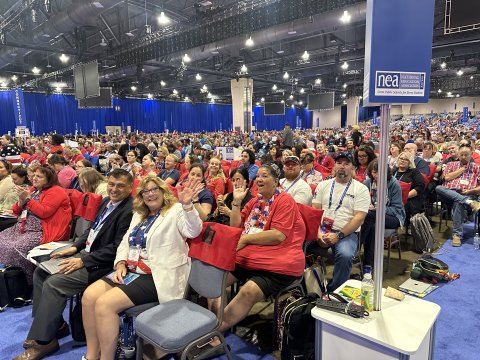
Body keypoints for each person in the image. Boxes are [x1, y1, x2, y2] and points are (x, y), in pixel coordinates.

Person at [12, 169, 134, 360]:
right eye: (111, 184)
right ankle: (57, 326)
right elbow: (92, 231)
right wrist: (74, 247)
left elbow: (117, 248)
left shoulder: (130, 210)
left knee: (55, 283)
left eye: (120, 185)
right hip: (86, 254)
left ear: (130, 187)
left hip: (103, 264)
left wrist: (82, 260)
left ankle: (44, 341)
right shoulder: (105, 202)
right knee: (40, 274)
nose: (114, 189)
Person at [81, 175, 203, 360]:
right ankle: (91, 355)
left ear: (163, 192)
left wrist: (188, 205)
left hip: (157, 275)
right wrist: (120, 262)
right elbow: (125, 242)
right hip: (131, 270)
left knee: (105, 305)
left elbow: (193, 230)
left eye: (155, 189)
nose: (150, 194)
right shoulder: (139, 213)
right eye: (145, 191)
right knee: (89, 296)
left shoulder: (176, 210)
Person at [212, 164, 306, 336]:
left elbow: (278, 235)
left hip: (277, 266)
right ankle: (214, 322)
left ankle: (213, 333)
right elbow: (235, 226)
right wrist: (236, 202)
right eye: (258, 177)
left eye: (264, 176)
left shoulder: (285, 200)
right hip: (249, 259)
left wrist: (246, 238)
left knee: (248, 291)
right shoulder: (255, 200)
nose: (259, 179)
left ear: (276, 181)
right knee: (214, 281)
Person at [0, 165, 72, 282]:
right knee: (1, 239)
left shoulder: (56, 191)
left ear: (49, 179)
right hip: (22, 227)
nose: (34, 178)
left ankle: (24, 281)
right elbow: (16, 211)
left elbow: (44, 212)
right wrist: (21, 201)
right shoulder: (34, 190)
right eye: (34, 175)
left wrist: (28, 199)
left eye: (39, 176)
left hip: (41, 231)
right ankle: (7, 279)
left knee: (15, 248)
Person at [311, 152, 370, 292]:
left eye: (346, 163)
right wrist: (318, 232)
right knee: (297, 242)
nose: (342, 166)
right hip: (321, 229)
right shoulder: (323, 185)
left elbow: (359, 218)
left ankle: (334, 292)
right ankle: (305, 286)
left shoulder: (361, 189)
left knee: (345, 255)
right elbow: (315, 210)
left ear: (352, 168)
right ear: (334, 166)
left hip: (346, 232)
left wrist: (338, 236)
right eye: (339, 163)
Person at [361, 159, 405, 268]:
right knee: (373, 226)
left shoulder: (394, 184)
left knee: (370, 217)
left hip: (393, 217)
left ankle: (357, 246)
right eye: (374, 172)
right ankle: (368, 264)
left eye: (379, 172)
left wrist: (380, 209)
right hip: (372, 217)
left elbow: (396, 208)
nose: (376, 175)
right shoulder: (367, 183)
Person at [435, 144, 480, 247]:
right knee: (438, 188)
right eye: (462, 154)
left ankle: (457, 235)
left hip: (468, 193)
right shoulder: (451, 164)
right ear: (458, 154)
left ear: (471, 154)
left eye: (466, 154)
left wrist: (470, 191)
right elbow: (446, 178)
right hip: (449, 193)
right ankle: (469, 203)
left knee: (458, 202)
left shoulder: (476, 167)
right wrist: (460, 170)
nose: (464, 157)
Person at [393, 151, 425, 222]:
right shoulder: (393, 171)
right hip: (392, 198)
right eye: (401, 158)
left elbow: (420, 187)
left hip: (408, 198)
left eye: (406, 159)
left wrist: (404, 197)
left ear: (410, 162)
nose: (402, 160)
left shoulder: (414, 171)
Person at [0, 165, 30, 231]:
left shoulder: (26, 191)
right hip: (3, 213)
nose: (13, 181)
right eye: (12, 179)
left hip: (11, 216)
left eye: (15, 179)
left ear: (23, 178)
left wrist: (10, 211)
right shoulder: (14, 187)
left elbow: (23, 209)